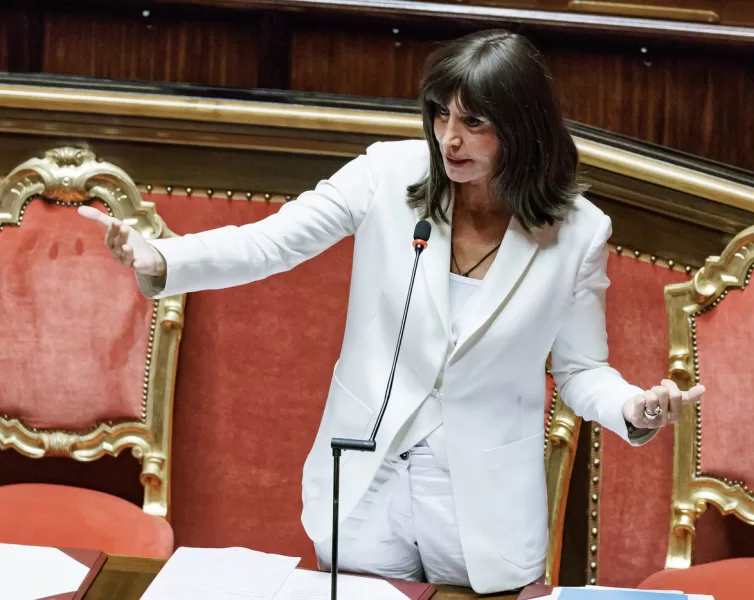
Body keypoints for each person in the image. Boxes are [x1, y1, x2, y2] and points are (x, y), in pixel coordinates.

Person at [79, 29, 704, 594]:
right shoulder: (387, 173)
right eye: (440, 114)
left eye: (475, 122)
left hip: (481, 506)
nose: (448, 137)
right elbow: (272, 241)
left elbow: (580, 370)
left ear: (523, 126)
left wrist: (633, 408)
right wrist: (159, 255)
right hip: (365, 480)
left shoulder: (578, 234)